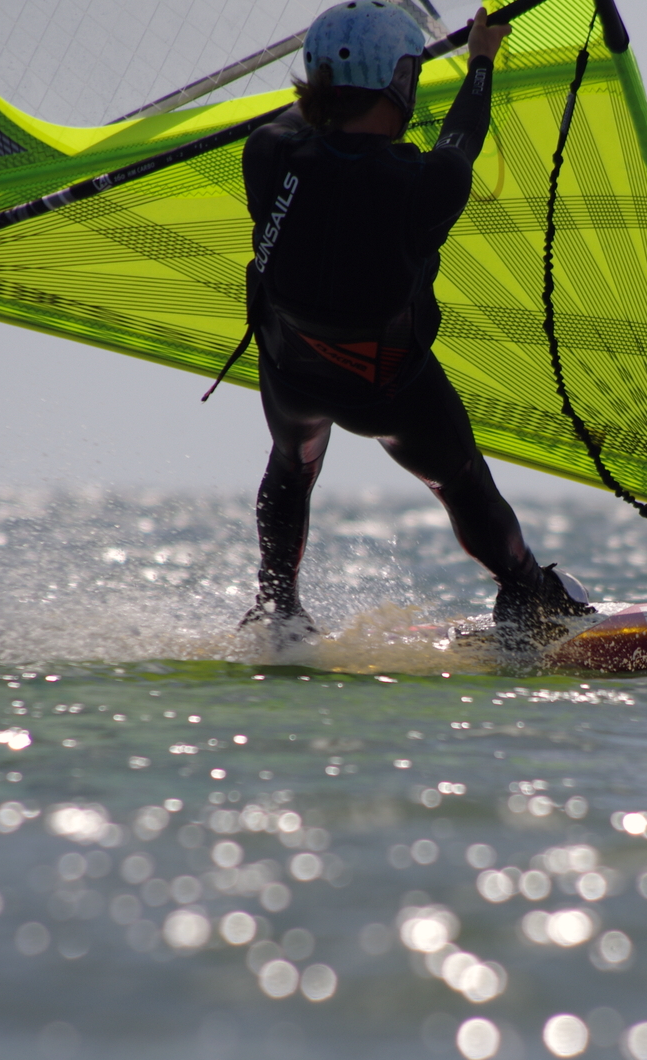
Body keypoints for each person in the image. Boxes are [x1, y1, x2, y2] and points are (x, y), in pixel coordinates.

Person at [238, 1, 593, 649]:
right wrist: (479, 60)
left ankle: (276, 609)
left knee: (291, 463)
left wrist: (322, 94)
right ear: (401, 80)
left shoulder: (265, 154)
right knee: (462, 480)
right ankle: (527, 596)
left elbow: (298, 127)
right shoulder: (427, 183)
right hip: (386, 392)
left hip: (292, 375)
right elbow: (461, 137)